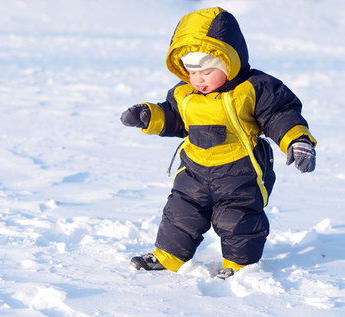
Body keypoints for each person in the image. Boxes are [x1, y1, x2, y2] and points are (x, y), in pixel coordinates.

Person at [120, 7, 316, 279]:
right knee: (179, 213)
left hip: (240, 174)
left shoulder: (252, 88)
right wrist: (148, 115)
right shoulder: (184, 93)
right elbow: (174, 118)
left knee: (237, 220)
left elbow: (280, 114)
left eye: (206, 71)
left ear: (228, 61)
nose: (197, 79)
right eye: (190, 71)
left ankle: (240, 266)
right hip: (194, 172)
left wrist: (298, 140)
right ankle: (168, 256)